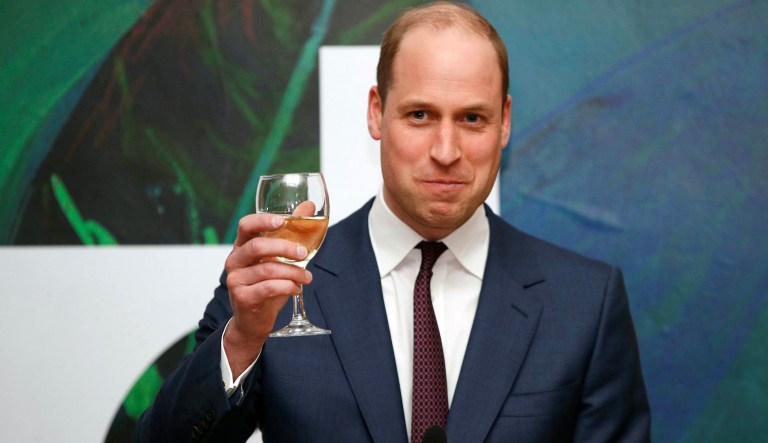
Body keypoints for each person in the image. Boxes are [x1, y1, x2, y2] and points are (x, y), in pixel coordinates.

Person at [134, 2, 650, 442]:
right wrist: (242, 340)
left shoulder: (585, 302)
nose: (446, 151)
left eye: (472, 118)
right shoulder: (274, 283)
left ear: (505, 122)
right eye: (420, 115)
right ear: (377, 113)